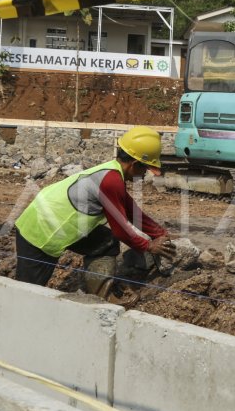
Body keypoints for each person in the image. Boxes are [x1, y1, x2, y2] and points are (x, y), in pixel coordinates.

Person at [13, 126, 176, 296]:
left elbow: (131, 210)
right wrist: (148, 246)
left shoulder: (112, 172)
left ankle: (99, 295)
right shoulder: (110, 181)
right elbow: (121, 229)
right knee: (28, 292)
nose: (145, 174)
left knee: (106, 243)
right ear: (134, 164)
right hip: (40, 231)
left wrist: (160, 233)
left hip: (55, 222)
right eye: (146, 168)